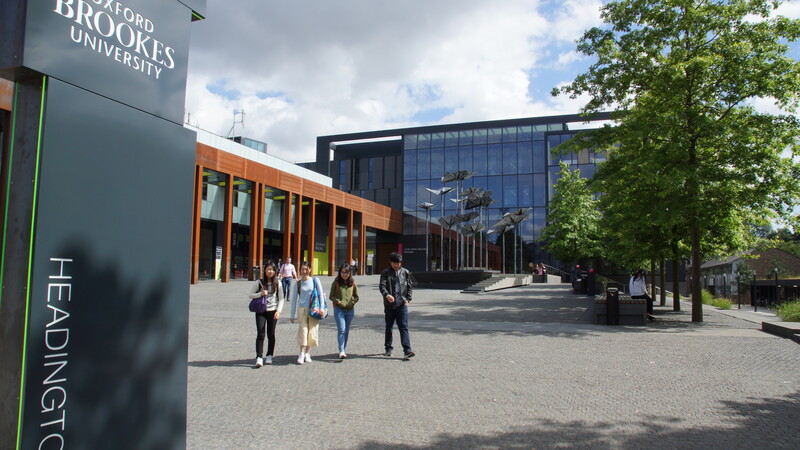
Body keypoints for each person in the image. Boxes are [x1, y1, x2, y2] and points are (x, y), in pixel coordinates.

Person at [248, 260, 285, 367]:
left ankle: (269, 355)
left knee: (271, 334)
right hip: (261, 311)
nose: (270, 272)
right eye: (269, 269)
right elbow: (250, 295)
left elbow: (281, 299)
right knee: (260, 334)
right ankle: (259, 357)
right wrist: (260, 294)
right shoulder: (259, 282)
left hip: (273, 311)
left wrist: (278, 311)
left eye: (273, 270)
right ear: (265, 270)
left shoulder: (278, 283)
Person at [379, 252, 415, 359]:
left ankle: (407, 350)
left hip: (402, 304)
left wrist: (408, 299)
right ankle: (388, 348)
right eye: (394, 263)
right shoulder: (385, 272)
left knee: (403, 326)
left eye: (398, 263)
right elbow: (382, 286)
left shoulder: (405, 272)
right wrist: (387, 295)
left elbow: (409, 287)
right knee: (389, 327)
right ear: (390, 262)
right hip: (389, 305)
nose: (396, 265)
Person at [290, 261, 325, 364]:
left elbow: (320, 295)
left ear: (310, 269)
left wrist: (321, 309)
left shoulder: (315, 280)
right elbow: (293, 300)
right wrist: (292, 315)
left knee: (312, 331)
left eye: (306, 269)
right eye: (302, 269)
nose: (304, 271)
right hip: (302, 309)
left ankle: (307, 353)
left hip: (313, 309)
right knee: (303, 331)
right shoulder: (298, 283)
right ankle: (301, 353)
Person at [329, 263, 359, 359]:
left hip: (350, 310)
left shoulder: (353, 283)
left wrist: (354, 301)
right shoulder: (336, 282)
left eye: (346, 272)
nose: (344, 274)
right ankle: (341, 350)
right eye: (342, 272)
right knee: (342, 329)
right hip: (339, 309)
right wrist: (337, 301)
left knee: (346, 330)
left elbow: (357, 296)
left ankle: (343, 349)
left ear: (350, 273)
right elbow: (331, 296)